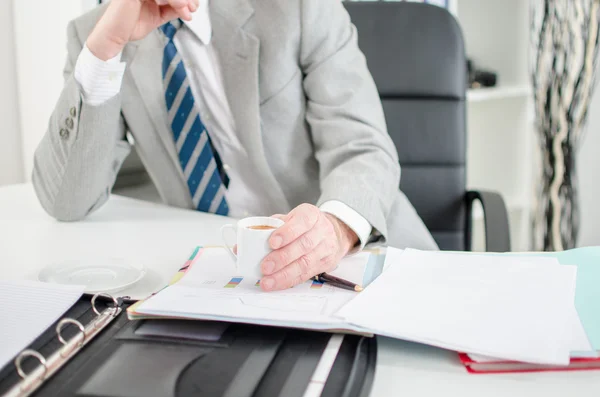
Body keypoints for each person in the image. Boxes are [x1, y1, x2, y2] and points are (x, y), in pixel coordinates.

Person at [32, 0, 437, 292]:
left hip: (359, 254)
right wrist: (105, 51)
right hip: (227, 276)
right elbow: (67, 201)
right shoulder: (97, 32)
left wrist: (334, 230)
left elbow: (362, 146)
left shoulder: (297, 7)